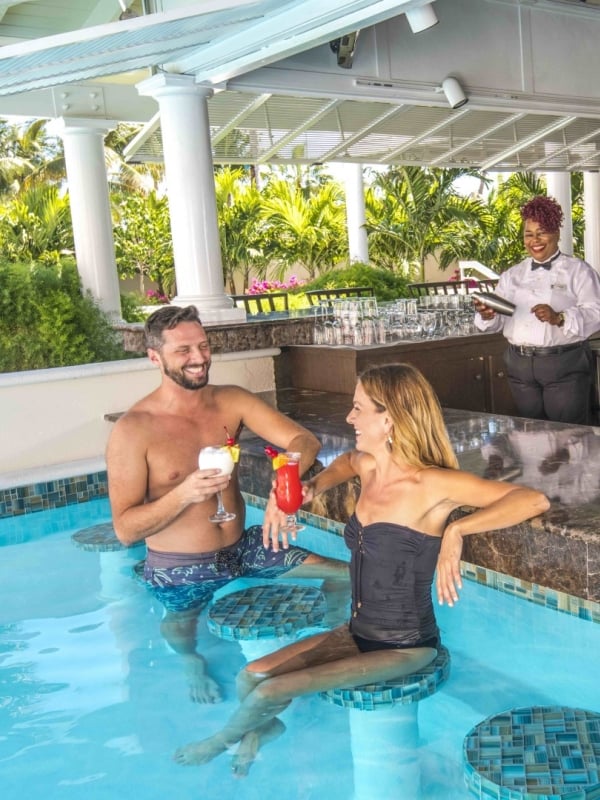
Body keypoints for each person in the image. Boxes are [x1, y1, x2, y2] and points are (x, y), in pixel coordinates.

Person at [173, 363, 549, 772]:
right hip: (356, 631)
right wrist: (314, 487)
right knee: (250, 677)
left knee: (269, 691)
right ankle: (267, 729)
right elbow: (348, 462)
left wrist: (457, 531)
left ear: (388, 418)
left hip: (405, 644)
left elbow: (531, 500)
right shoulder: (370, 468)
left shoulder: (432, 484)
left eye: (358, 408)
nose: (349, 417)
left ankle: (216, 743)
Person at [106, 305, 348, 705]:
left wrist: (282, 488)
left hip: (244, 548)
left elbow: (304, 442)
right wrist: (184, 493)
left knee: (346, 574)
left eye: (203, 345)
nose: (199, 358)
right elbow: (125, 529)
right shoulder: (133, 430)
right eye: (183, 350)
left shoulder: (231, 401)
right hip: (180, 566)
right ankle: (190, 663)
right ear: (155, 357)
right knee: (181, 628)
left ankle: (325, 637)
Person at [473, 195, 600, 425]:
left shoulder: (578, 271)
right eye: (528, 234)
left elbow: (596, 312)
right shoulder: (513, 275)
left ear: (557, 234)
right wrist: (487, 314)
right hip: (519, 365)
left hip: (563, 365)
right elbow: (500, 320)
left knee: (568, 436)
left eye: (542, 232)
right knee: (530, 433)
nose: (535, 240)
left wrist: (560, 317)